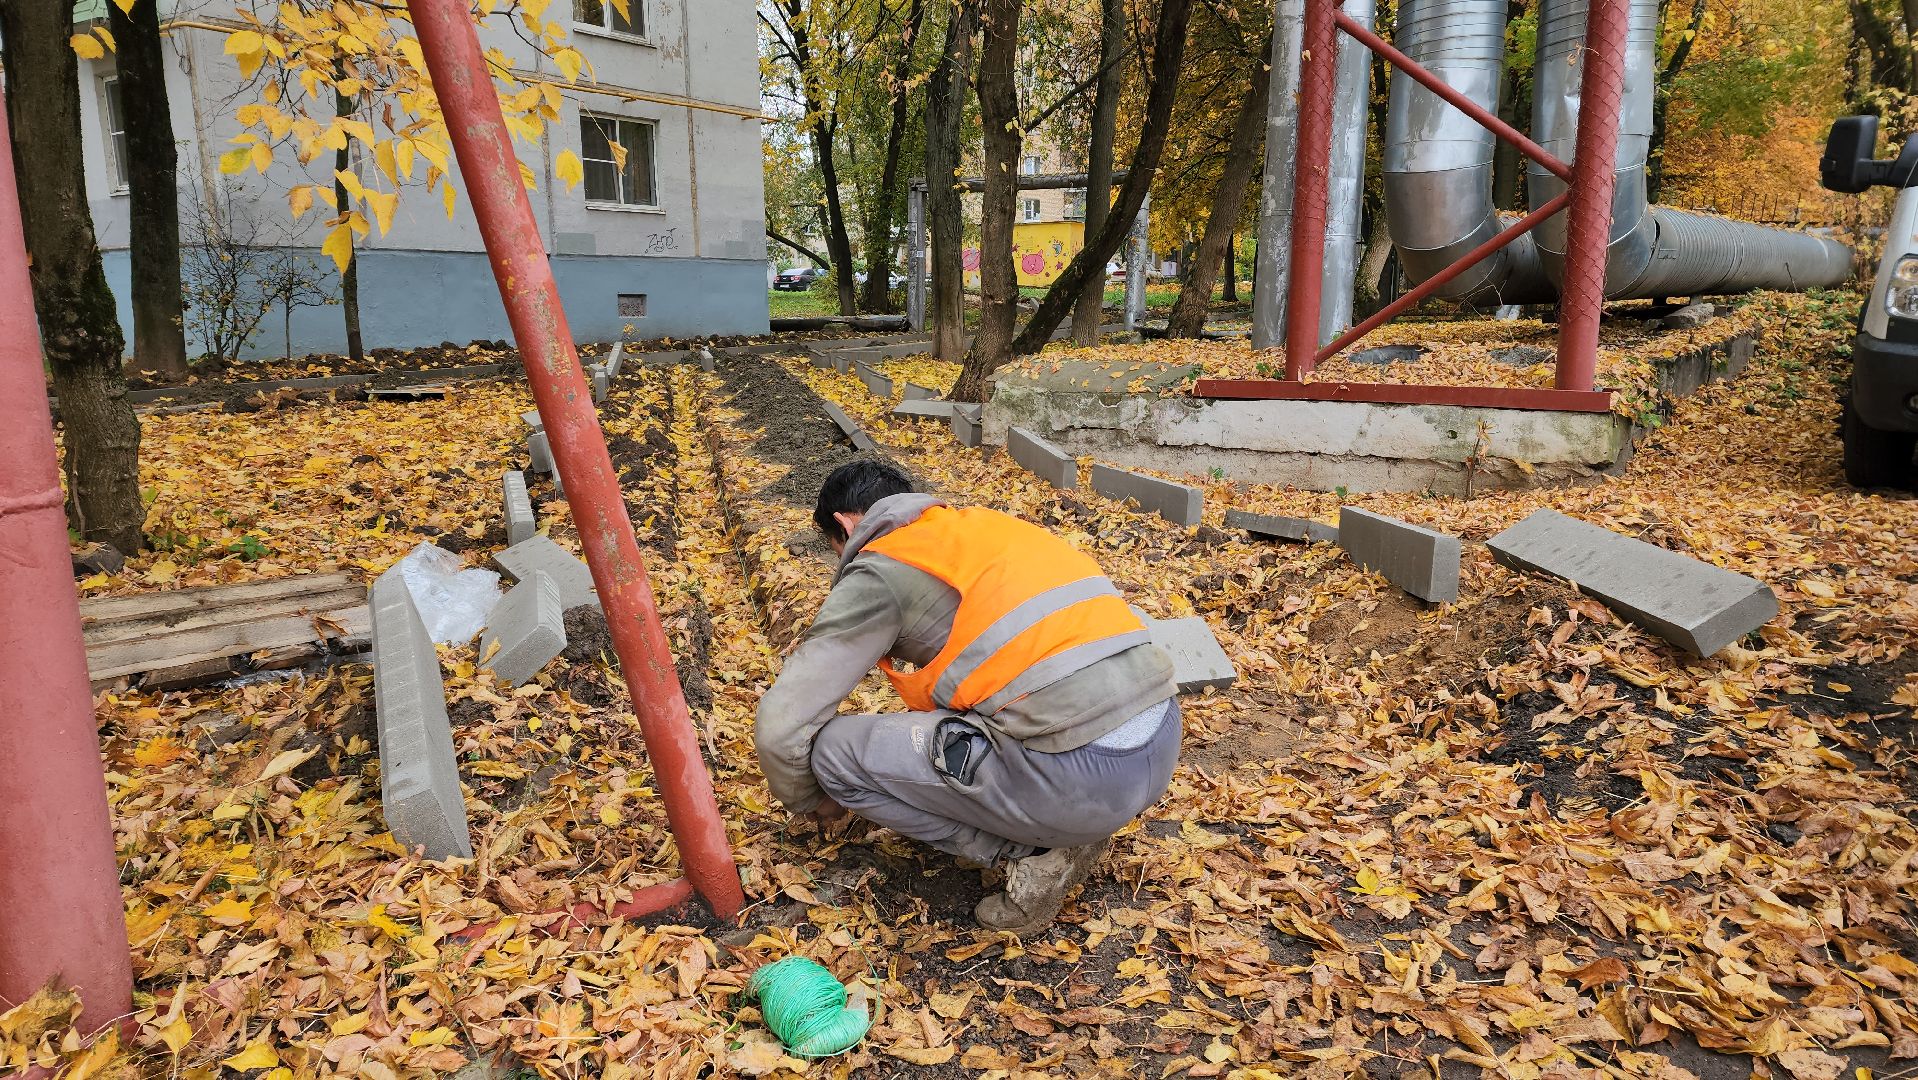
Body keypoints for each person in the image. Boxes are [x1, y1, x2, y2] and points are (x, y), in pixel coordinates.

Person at [754, 459, 1180, 934]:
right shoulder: (983, 530)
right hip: (1159, 743)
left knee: (833, 753)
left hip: (1079, 779)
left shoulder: (884, 566)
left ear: (845, 525)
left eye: (837, 551)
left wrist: (817, 800)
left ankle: (1037, 852)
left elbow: (782, 725)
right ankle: (1063, 824)